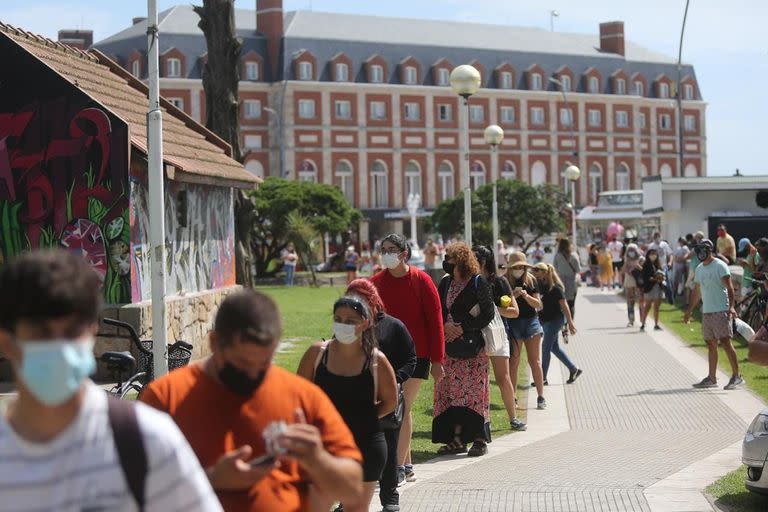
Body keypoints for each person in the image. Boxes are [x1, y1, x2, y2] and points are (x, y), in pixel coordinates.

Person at [0, 250, 220, 511]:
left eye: (72, 331)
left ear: (92, 332)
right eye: (41, 333)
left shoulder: (147, 439)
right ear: (6, 342)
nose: (59, 346)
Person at [141, 290, 364, 511]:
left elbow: (353, 489)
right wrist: (211, 480)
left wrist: (318, 460)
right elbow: (130, 490)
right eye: (242, 363)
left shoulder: (302, 396)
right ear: (213, 342)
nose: (252, 375)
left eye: (264, 364)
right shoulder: (166, 398)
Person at [297, 294, 397, 512]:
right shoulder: (317, 354)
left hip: (366, 446)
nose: (343, 325)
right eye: (338, 319)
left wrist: (362, 419)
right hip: (322, 446)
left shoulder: (376, 361)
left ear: (365, 323)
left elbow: (391, 402)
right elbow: (299, 396)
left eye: (350, 321)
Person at [370, 233, 444, 484]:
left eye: (391, 249)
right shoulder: (376, 283)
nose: (386, 253)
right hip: (384, 355)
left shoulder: (422, 281)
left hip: (416, 355)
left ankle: (396, 468)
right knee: (398, 407)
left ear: (404, 254)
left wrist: (437, 360)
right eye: (383, 249)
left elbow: (435, 323)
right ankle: (407, 464)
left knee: (402, 407)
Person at [346, 279, 416, 512]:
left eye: (359, 298)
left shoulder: (394, 327)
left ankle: (390, 497)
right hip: (356, 399)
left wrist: (394, 380)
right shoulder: (349, 326)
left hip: (387, 400)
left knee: (387, 449)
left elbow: (410, 358)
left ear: (372, 299)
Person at [434, 242, 495, 457]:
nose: (446, 262)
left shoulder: (478, 282)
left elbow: (488, 313)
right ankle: (457, 440)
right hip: (449, 349)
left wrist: (461, 328)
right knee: (452, 394)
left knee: (474, 394)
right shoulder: (445, 283)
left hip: (473, 349)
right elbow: (437, 310)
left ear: (460, 260)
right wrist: (444, 327)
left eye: (450, 258)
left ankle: (479, 440)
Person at [473, 245, 527, 431]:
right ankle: (480, 420)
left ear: (484, 261)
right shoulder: (468, 282)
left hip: (497, 333)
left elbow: (514, 311)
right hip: (474, 334)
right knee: (477, 380)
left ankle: (513, 417)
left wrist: (493, 309)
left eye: (474, 259)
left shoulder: (500, 282)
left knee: (503, 377)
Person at [684, 240, 744, 390]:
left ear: (709, 250)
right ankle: (711, 378)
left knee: (725, 342)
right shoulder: (699, 269)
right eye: (698, 250)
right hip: (707, 311)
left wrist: (731, 307)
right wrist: (689, 311)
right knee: (711, 344)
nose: (700, 253)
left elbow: (730, 288)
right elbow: (697, 291)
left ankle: (737, 377)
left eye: (702, 250)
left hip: (721, 310)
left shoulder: (720, 266)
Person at [506, 252, 547, 410]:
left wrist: (525, 296)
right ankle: (513, 396)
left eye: (522, 267)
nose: (519, 269)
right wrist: (513, 296)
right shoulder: (505, 282)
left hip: (531, 323)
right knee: (514, 361)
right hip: (514, 323)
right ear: (510, 268)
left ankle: (541, 396)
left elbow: (538, 304)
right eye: (516, 267)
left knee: (535, 361)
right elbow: (503, 305)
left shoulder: (531, 280)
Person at [533, 263, 582, 384]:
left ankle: (542, 378)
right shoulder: (539, 285)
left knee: (545, 347)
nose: (535, 272)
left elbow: (565, 306)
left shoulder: (556, 288)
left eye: (537, 270)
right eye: (534, 269)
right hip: (545, 321)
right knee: (554, 348)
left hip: (555, 321)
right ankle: (573, 369)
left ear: (545, 272)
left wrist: (570, 323)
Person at [553, 238, 581, 318]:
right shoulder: (574, 255)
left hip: (560, 283)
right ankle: (570, 323)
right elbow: (578, 269)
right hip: (572, 282)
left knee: (562, 304)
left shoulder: (557, 255)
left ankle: (564, 324)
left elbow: (554, 269)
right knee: (571, 304)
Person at [639, 248, 665, 331]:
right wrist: (654, 278)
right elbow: (645, 277)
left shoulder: (658, 264)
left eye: (655, 254)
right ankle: (643, 324)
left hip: (658, 287)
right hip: (649, 288)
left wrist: (661, 278)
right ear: (648, 255)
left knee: (656, 307)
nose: (653, 255)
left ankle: (656, 324)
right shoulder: (646, 265)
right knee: (648, 306)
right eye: (652, 254)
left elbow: (662, 275)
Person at [622, 243, 644, 327]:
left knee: (641, 301)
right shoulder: (626, 258)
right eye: (629, 250)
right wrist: (627, 262)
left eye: (633, 250)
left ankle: (643, 320)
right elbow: (623, 271)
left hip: (638, 281)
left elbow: (643, 270)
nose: (631, 252)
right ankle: (631, 320)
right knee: (630, 301)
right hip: (629, 281)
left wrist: (636, 264)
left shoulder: (641, 258)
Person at [648, 232, 674, 304]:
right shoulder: (651, 246)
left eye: (658, 236)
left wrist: (670, 262)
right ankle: (655, 300)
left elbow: (670, 254)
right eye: (656, 236)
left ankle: (671, 301)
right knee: (655, 285)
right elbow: (648, 257)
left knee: (667, 285)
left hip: (664, 267)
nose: (657, 238)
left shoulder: (664, 244)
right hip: (655, 268)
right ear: (653, 237)